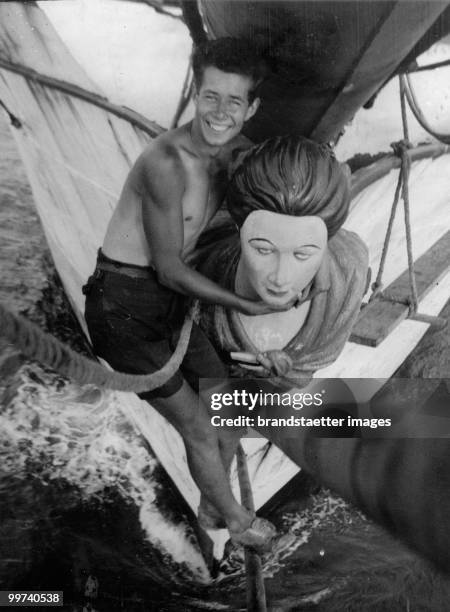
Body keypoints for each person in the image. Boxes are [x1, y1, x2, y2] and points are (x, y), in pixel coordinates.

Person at [83, 39, 294, 550]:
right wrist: (245, 303)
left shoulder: (238, 155)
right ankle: (237, 524)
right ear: (194, 95)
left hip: (169, 307)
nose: (220, 113)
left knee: (225, 405)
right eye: (210, 97)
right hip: (124, 309)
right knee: (200, 428)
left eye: (234, 102)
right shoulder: (166, 163)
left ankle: (211, 500)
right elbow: (172, 268)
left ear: (253, 108)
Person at [194, 135, 369, 525]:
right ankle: (213, 506)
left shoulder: (348, 273)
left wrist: (284, 367)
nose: (279, 278)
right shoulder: (203, 273)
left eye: (303, 254)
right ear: (239, 230)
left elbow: (313, 364)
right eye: (262, 248)